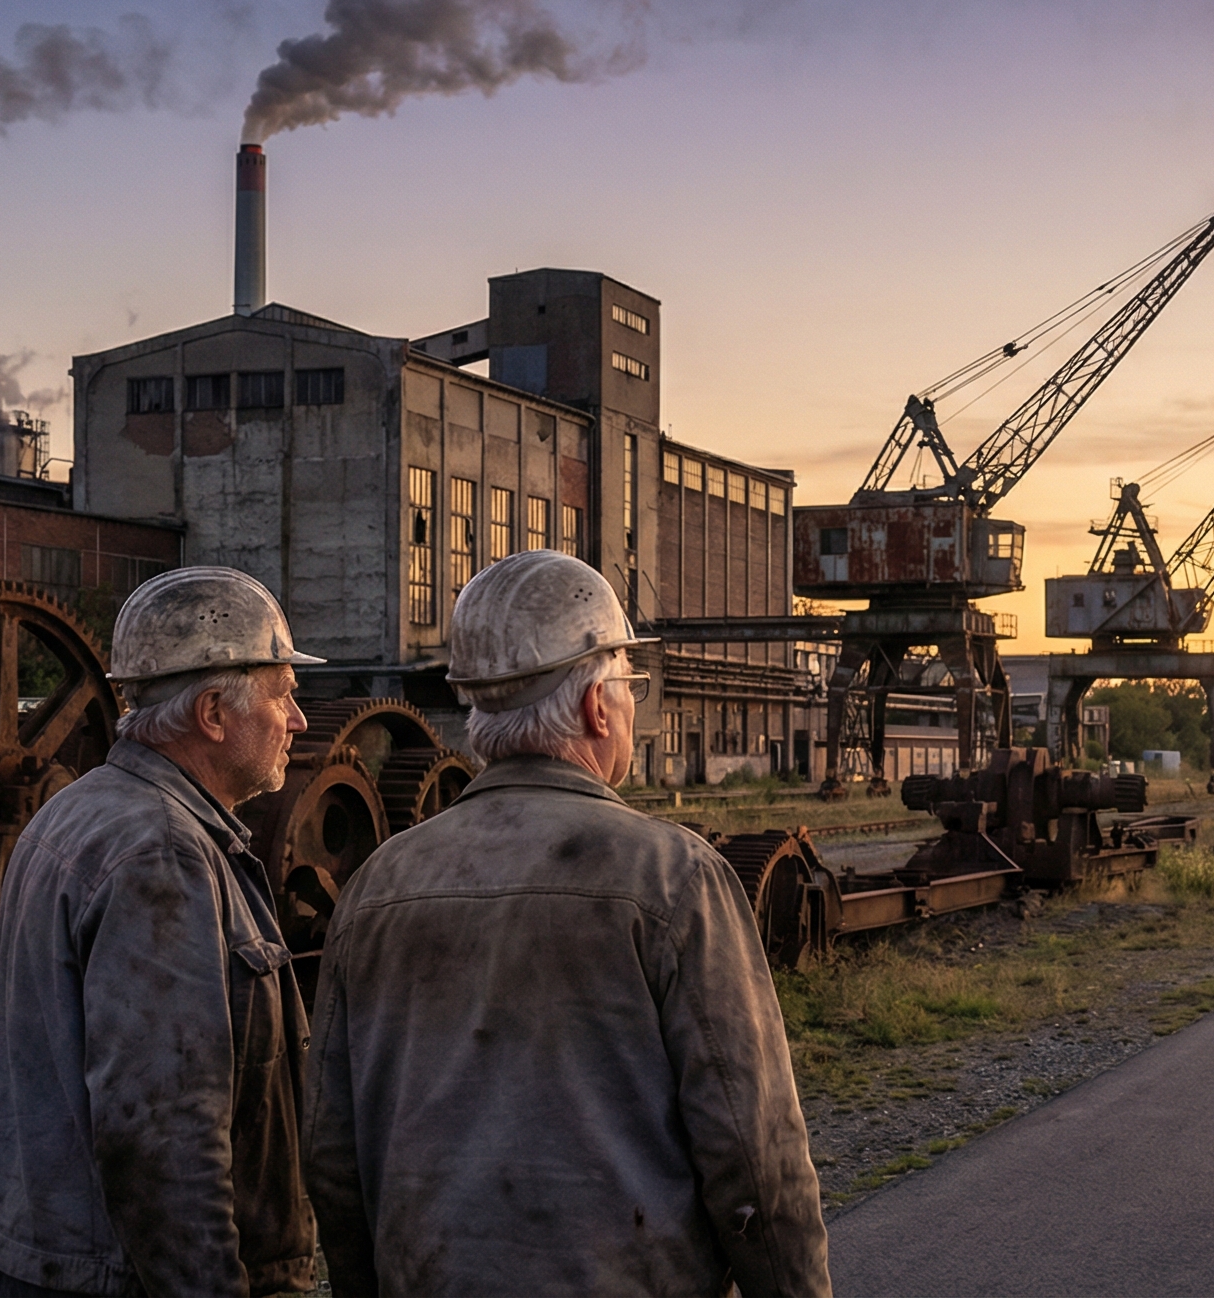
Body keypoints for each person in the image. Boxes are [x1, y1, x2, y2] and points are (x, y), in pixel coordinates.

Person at [303, 550, 831, 1297]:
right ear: (595, 705)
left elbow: (330, 1151)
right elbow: (754, 1160)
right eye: (629, 684)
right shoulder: (674, 879)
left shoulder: (376, 887)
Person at [0, 566, 320, 1298]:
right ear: (215, 711)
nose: (299, 720)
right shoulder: (161, 850)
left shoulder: (82, 810)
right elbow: (163, 1130)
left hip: (68, 1255)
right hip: (123, 1275)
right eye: (284, 695)